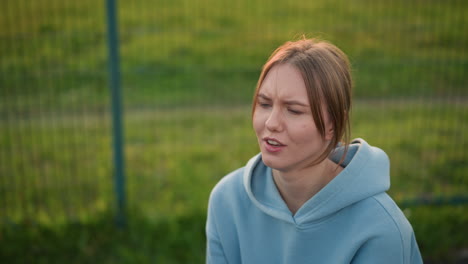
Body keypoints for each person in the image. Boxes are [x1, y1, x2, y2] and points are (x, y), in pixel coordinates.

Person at [206, 38, 423, 264]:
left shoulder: (381, 229)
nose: (271, 123)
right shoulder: (227, 200)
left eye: (294, 110)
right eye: (265, 104)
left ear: (333, 123)